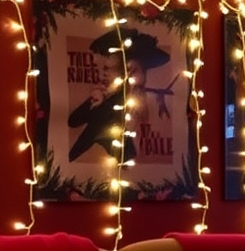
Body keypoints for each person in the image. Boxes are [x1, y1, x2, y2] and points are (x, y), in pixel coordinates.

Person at [68, 27, 170, 164]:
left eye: (109, 69)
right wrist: (93, 100)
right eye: (104, 68)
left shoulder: (131, 102)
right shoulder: (107, 99)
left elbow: (127, 155)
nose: (104, 73)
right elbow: (73, 121)